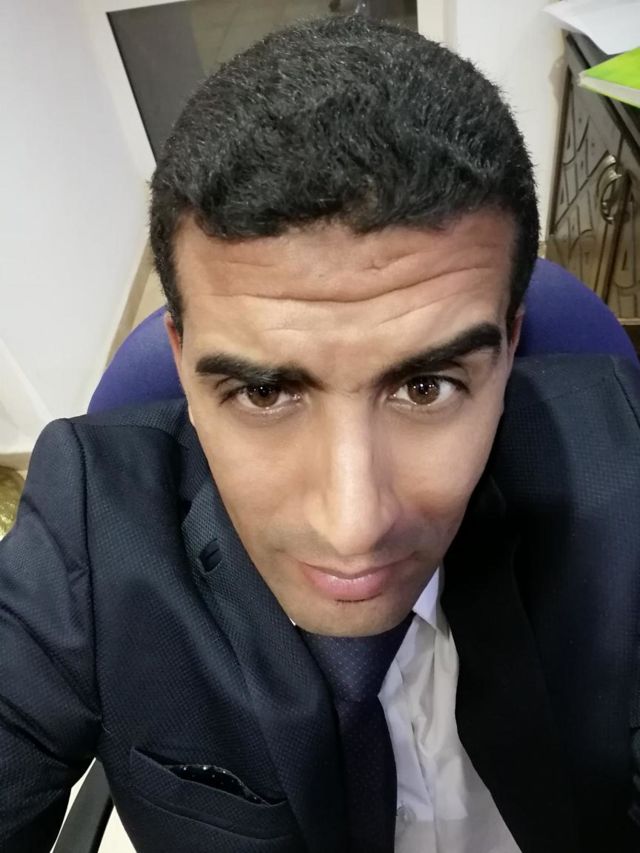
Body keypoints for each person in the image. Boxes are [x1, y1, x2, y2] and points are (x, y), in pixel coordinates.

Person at [1, 15, 639, 853]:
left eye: (426, 386)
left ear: (510, 344)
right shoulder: (90, 527)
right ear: (182, 360)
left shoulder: (619, 465)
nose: (353, 524)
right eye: (265, 391)